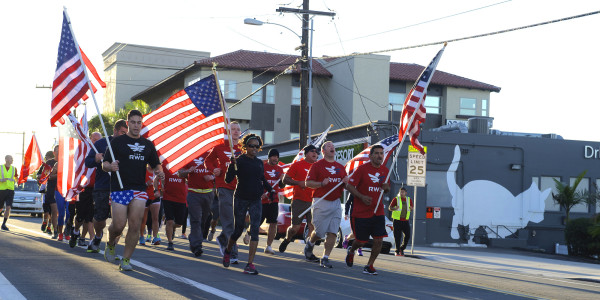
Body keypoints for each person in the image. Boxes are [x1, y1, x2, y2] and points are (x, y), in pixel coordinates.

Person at [102, 110, 164, 271]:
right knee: (118, 225)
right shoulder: (117, 142)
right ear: (128, 123)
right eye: (133, 122)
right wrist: (111, 166)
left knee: (135, 226)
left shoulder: (148, 144)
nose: (136, 126)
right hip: (120, 188)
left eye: (139, 123)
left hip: (139, 189)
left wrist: (159, 170)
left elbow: (156, 163)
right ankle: (110, 243)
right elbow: (104, 164)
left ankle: (126, 260)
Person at [222, 134, 273, 275]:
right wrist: (232, 166)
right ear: (245, 147)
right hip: (241, 198)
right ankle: (228, 251)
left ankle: (250, 264)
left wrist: (271, 190)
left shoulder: (258, 163)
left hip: (256, 199)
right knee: (238, 229)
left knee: (255, 229)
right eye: (251, 146)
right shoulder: (239, 161)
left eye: (257, 146)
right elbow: (227, 180)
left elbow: (261, 178)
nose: (255, 148)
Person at [345, 145, 391, 275]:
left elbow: (386, 189)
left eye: (381, 153)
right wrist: (361, 197)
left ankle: (369, 265)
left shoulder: (385, 171)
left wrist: (386, 187)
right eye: (376, 153)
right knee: (361, 241)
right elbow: (349, 185)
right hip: (361, 212)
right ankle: (351, 250)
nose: (379, 156)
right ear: (370, 156)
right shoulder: (362, 169)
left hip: (378, 212)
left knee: (378, 240)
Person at [84, 120, 128, 253]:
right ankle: (98, 236)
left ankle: (112, 245)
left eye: (126, 133)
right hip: (103, 187)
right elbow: (88, 162)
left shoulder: (129, 144)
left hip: (121, 187)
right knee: (100, 219)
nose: (124, 135)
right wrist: (96, 159)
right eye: (122, 132)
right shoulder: (101, 143)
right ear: (115, 131)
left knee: (119, 222)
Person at [304, 141, 349, 268]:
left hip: (335, 203)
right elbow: (308, 183)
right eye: (329, 146)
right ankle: (310, 243)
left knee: (333, 232)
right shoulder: (317, 166)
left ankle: (325, 257)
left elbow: (345, 184)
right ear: (323, 151)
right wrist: (321, 184)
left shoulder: (340, 167)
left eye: (333, 146)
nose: (332, 147)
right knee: (319, 233)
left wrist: (346, 182)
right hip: (320, 201)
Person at [204, 121, 242, 263]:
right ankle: (232, 252)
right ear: (228, 131)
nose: (236, 131)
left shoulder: (243, 149)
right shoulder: (220, 146)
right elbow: (208, 161)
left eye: (238, 129)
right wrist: (213, 169)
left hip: (239, 188)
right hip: (223, 186)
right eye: (233, 129)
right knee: (228, 219)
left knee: (237, 220)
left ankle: (222, 238)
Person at [278, 144, 319, 253]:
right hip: (299, 200)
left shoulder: (318, 166)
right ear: (306, 153)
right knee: (294, 229)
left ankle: (308, 250)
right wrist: (298, 183)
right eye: (312, 151)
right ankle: (287, 239)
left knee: (312, 226)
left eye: (316, 151)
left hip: (314, 201)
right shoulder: (298, 165)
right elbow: (285, 180)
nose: (315, 153)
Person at [69, 132, 102, 248]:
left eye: (99, 140)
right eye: (94, 139)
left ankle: (90, 240)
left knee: (91, 217)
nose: (96, 142)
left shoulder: (102, 154)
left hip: (97, 190)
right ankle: (76, 232)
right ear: (90, 140)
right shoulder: (84, 152)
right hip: (84, 189)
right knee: (80, 216)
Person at [178, 152, 213, 257]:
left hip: (208, 193)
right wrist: (188, 171)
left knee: (203, 220)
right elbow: (180, 173)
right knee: (196, 219)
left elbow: (220, 172)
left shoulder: (211, 155)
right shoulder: (190, 154)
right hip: (194, 193)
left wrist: (212, 177)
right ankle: (197, 246)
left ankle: (194, 237)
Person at [260, 148, 284, 254]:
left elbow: (281, 185)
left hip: (273, 199)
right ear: (269, 157)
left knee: (273, 223)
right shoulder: (262, 167)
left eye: (277, 157)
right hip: (261, 199)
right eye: (274, 156)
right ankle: (249, 233)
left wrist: (283, 179)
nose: (276, 158)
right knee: (257, 221)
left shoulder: (280, 169)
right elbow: (257, 181)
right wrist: (261, 193)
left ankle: (268, 246)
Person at [160, 165, 187, 251]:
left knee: (179, 223)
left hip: (181, 199)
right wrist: (156, 190)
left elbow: (189, 178)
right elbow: (157, 178)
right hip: (168, 198)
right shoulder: (164, 167)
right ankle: (170, 242)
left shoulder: (184, 166)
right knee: (170, 221)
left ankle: (173, 228)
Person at [389, 187, 413, 256]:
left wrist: (411, 209)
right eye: (400, 192)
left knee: (407, 235)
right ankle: (397, 251)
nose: (401, 193)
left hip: (405, 221)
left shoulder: (409, 199)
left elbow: (411, 208)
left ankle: (402, 248)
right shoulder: (396, 199)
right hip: (397, 220)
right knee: (397, 236)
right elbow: (390, 208)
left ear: (406, 193)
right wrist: (394, 208)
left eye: (403, 192)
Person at [139, 170, 161, 245]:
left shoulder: (158, 171)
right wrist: (145, 184)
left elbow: (161, 184)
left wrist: (159, 191)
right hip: (145, 197)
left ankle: (155, 237)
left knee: (155, 218)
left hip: (155, 198)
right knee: (143, 219)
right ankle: (141, 236)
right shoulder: (143, 171)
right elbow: (137, 184)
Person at [38, 151, 55, 234]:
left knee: (53, 212)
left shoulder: (59, 163)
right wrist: (43, 176)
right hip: (45, 190)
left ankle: (49, 226)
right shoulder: (46, 165)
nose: (46, 159)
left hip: (55, 191)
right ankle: (45, 222)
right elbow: (38, 175)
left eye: (47, 157)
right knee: (46, 211)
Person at [0, 155, 19, 231]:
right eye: (11, 158)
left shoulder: (14, 169)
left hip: (10, 190)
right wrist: (1, 180)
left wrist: (17, 179)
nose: (12, 160)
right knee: (0, 208)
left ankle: (4, 224)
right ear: (6, 159)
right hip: (1, 190)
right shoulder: (0, 167)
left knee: (8, 207)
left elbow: (16, 179)